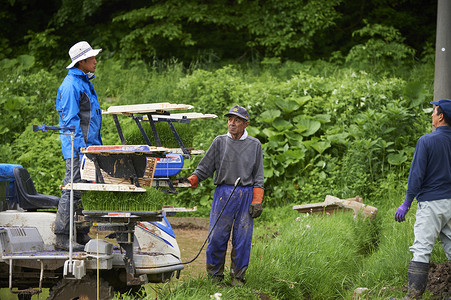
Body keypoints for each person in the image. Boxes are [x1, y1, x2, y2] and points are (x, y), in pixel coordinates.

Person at [187, 104, 264, 285]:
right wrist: (192, 180)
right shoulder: (220, 142)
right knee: (217, 237)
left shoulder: (255, 145)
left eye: (237, 120)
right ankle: (215, 278)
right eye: (230, 119)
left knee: (242, 239)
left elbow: (258, 176)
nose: (232, 123)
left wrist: (257, 200)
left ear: (246, 123)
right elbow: (204, 168)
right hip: (223, 193)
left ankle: (238, 279)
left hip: (245, 194)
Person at [394, 99, 451, 299]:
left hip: (432, 204)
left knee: (422, 249)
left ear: (441, 116)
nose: (432, 115)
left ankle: (413, 296)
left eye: (434, 112)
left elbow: (416, 175)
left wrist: (407, 202)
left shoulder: (426, 141)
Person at [55, 41, 103, 251]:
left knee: (84, 189)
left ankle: (81, 234)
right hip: (78, 148)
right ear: (81, 61)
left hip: (89, 147)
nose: (95, 61)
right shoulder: (71, 85)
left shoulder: (84, 81)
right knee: (72, 188)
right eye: (92, 58)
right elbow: (70, 122)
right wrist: (82, 148)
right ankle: (62, 236)